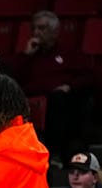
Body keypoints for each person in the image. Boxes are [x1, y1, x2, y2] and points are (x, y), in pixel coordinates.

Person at [6, 10, 92, 162]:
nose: (36, 32)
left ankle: (62, 151)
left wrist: (68, 86)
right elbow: (12, 78)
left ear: (55, 31)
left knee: (63, 100)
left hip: (60, 100)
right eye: (34, 28)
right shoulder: (28, 55)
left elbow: (88, 77)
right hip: (32, 99)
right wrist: (26, 55)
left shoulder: (69, 53)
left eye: (42, 28)